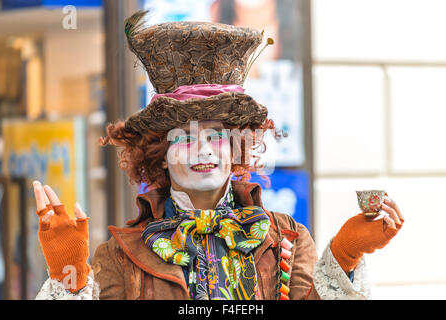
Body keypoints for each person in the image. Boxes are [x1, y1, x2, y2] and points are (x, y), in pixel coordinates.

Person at [34, 10, 404, 300]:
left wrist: (345, 254)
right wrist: (70, 280)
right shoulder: (119, 256)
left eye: (215, 135)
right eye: (183, 138)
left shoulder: (287, 239)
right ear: (160, 156)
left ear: (236, 147)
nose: (202, 149)